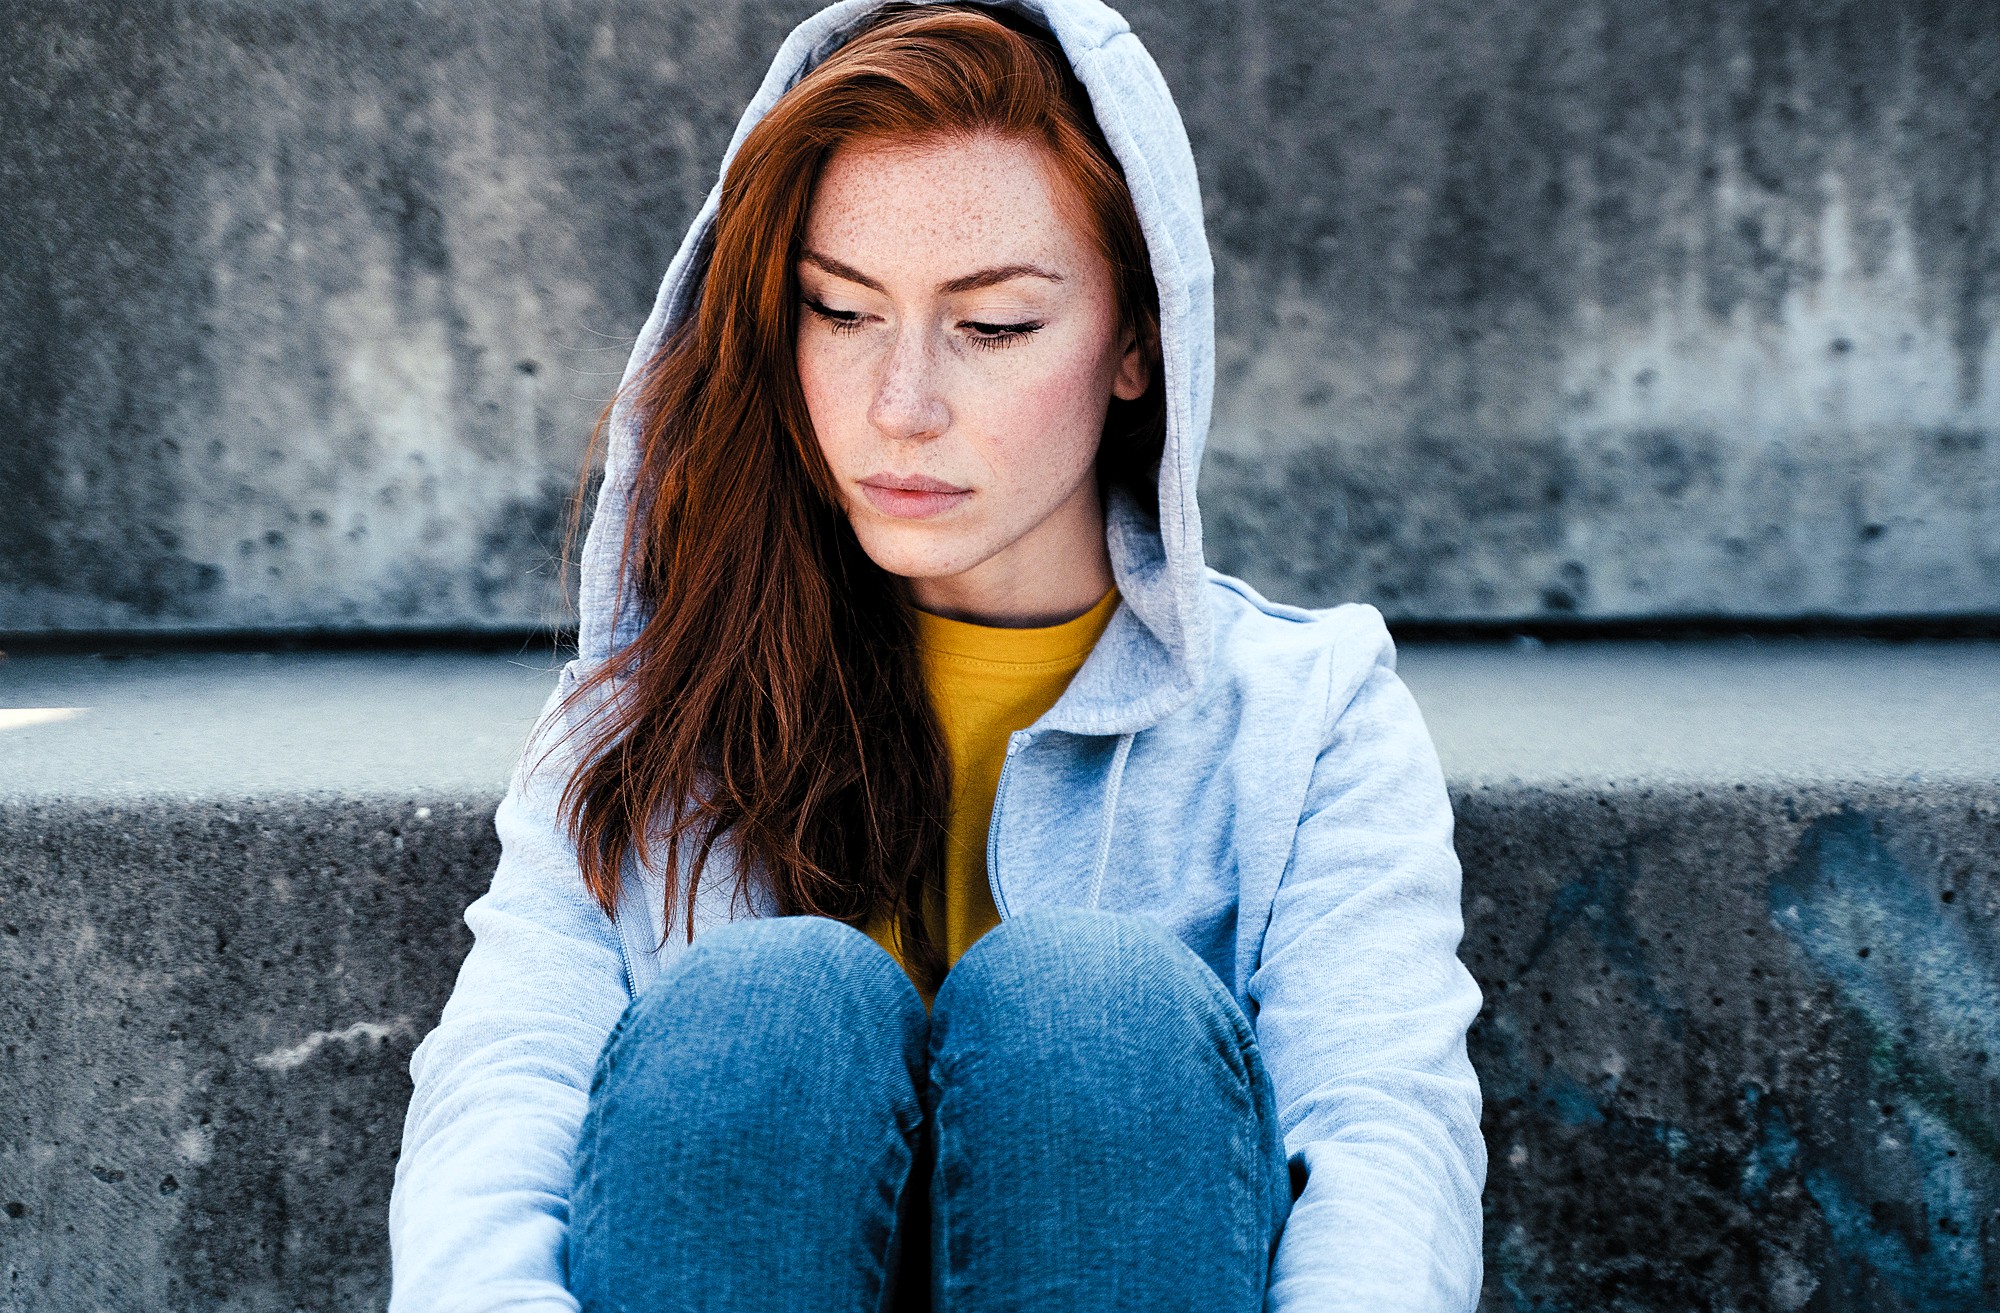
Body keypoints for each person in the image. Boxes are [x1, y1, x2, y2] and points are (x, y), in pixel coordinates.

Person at [388, 2, 1486, 1310]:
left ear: (1140, 343)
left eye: (996, 326)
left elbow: (1383, 1157)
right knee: (773, 1006)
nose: (899, 405)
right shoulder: (646, 715)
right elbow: (494, 1132)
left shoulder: (1307, 720)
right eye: (841, 312)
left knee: (1094, 1007)